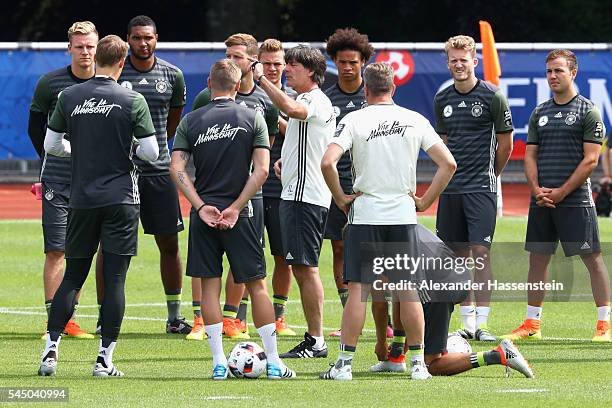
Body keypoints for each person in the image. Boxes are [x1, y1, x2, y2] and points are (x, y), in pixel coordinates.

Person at [318, 61, 455, 380]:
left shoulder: (354, 118)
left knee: (358, 291)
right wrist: (425, 200)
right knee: (408, 290)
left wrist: (340, 197)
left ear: (365, 89)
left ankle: (344, 365)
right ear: (393, 88)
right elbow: (448, 163)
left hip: (365, 214)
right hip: (402, 216)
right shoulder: (413, 119)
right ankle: (418, 364)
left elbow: (328, 162)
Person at [38, 35, 159, 377]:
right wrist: (128, 150)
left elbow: (52, 144)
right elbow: (151, 152)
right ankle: (104, 360)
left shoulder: (69, 95)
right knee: (115, 279)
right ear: (122, 63)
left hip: (81, 199)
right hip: (121, 198)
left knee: (73, 276)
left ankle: (50, 353)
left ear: (97, 59)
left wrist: (82, 151)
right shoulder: (132, 99)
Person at [170, 59, 295, 380]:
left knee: (209, 288)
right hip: (245, 213)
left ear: (209, 84)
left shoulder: (191, 120)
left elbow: (177, 169)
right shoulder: (252, 116)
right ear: (239, 86)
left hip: (205, 215)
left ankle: (218, 362)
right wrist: (238, 206)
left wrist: (200, 206)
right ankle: (275, 363)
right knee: (257, 286)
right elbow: (264, 170)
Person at [503, 49, 611, 343]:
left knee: (592, 259)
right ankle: (531, 324)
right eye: (549, 71)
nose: (552, 76)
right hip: (542, 201)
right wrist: (536, 189)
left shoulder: (588, 110)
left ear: (573, 73)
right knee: (537, 261)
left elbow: (591, 160)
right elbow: (529, 156)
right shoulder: (540, 111)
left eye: (558, 71)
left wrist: (562, 192)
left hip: (575, 201)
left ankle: (604, 324)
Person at [93, 15, 190, 335]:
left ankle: (174, 316)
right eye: (136, 38)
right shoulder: (117, 73)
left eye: (148, 37)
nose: (143, 43)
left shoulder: (172, 75)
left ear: (156, 38)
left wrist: (155, 144)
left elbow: (172, 122)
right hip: (118, 172)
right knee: (108, 246)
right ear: (128, 40)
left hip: (158, 171)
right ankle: (103, 314)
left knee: (169, 244)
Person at [190, 33, 280, 340]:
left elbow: (262, 158)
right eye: (228, 55)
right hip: (215, 199)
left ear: (252, 61)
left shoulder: (265, 103)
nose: (231, 61)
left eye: (237, 56)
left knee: (250, 271)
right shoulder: (204, 99)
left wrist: (240, 200)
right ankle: (200, 319)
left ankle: (231, 318)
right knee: (206, 268)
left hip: (248, 199)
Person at [253, 44, 334, 358]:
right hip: (297, 193)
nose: (286, 69)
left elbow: (293, 110)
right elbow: (302, 133)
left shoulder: (313, 100)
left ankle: (317, 341)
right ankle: (315, 339)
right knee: (301, 266)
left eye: (293, 66)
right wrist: (288, 159)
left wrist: (262, 80)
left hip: (305, 197)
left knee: (306, 268)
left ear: (311, 71)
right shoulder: (307, 100)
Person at [434, 35, 514, 341]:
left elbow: (506, 143)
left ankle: (482, 323)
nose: (458, 65)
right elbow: (442, 143)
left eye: (463, 60)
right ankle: (466, 324)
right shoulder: (443, 99)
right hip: (451, 189)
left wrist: (492, 173)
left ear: (474, 62)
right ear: (448, 63)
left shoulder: (493, 96)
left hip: (481, 186)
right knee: (454, 256)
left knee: (480, 253)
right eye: (453, 60)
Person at [28, 21, 98, 340]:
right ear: (69, 48)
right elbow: (35, 128)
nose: (85, 52)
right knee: (56, 250)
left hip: (94, 180)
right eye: (80, 46)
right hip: (57, 177)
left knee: (80, 250)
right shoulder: (50, 83)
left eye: (90, 46)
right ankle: (52, 321)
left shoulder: (107, 83)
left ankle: (69, 320)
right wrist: (49, 162)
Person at [324, 28, 393, 339]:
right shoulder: (327, 98)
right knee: (340, 248)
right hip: (338, 186)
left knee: (381, 257)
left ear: (364, 62)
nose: (347, 68)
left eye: (353, 62)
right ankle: (347, 315)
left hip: (371, 188)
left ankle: (385, 320)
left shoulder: (377, 98)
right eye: (341, 62)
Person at [259, 38, 298, 336]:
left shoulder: (295, 97)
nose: (272, 69)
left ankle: (279, 315)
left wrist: (279, 114)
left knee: (283, 255)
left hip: (281, 185)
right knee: (244, 254)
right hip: (246, 184)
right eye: (267, 63)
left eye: (277, 64)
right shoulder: (242, 91)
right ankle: (237, 316)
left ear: (285, 66)